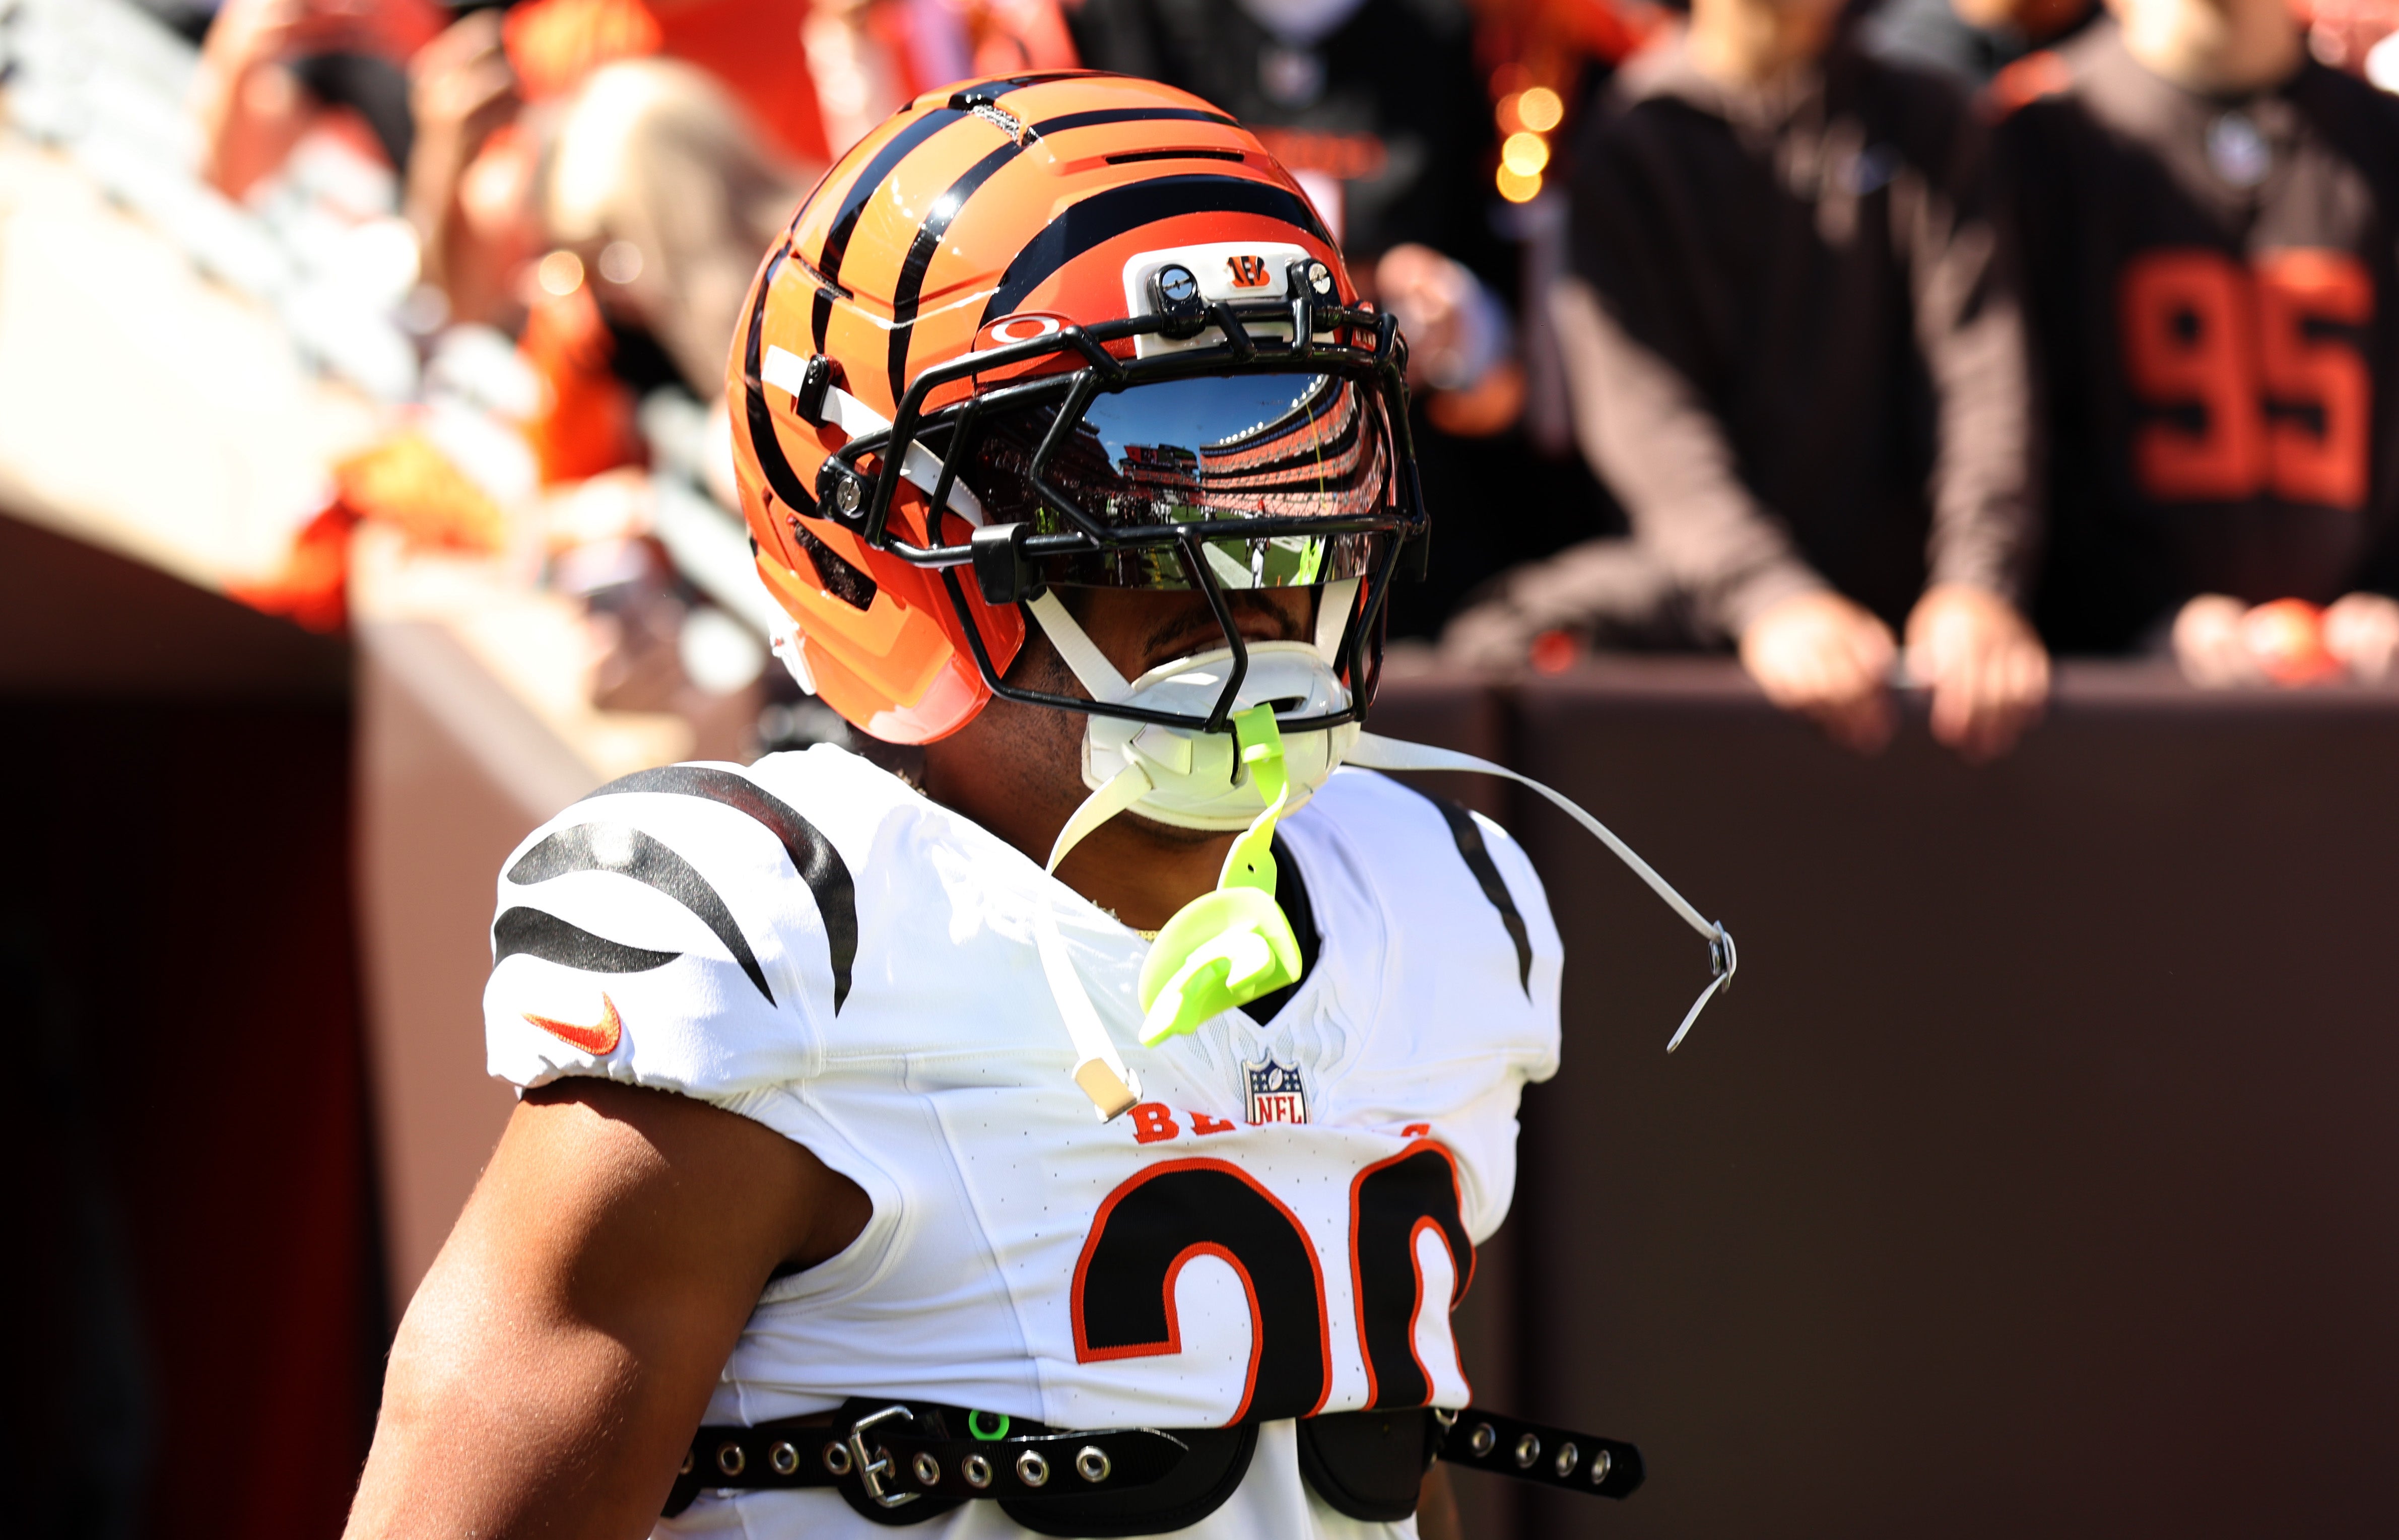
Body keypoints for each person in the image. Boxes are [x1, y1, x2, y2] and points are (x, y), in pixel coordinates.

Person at [340, 74, 1727, 1540]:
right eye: (1142, 489)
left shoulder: (1433, 908)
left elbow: (1350, 1478)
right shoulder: (787, 950)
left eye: (1297, 452)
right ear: (892, 537)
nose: (1255, 566)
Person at [1456, 0, 2052, 761]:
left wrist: (1978, 585)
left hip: (1919, 600)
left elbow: (1983, 375)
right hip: (1700, 586)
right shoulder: (1636, 141)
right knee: (1495, 647)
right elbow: (1646, 423)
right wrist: (1772, 600)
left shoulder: (1926, 120)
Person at [1993, 0, 2399, 686]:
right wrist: (2142, 616)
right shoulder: (2037, 143)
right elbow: (1998, 436)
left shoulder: (2380, 140)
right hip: (2113, 710)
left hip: (2362, 706)